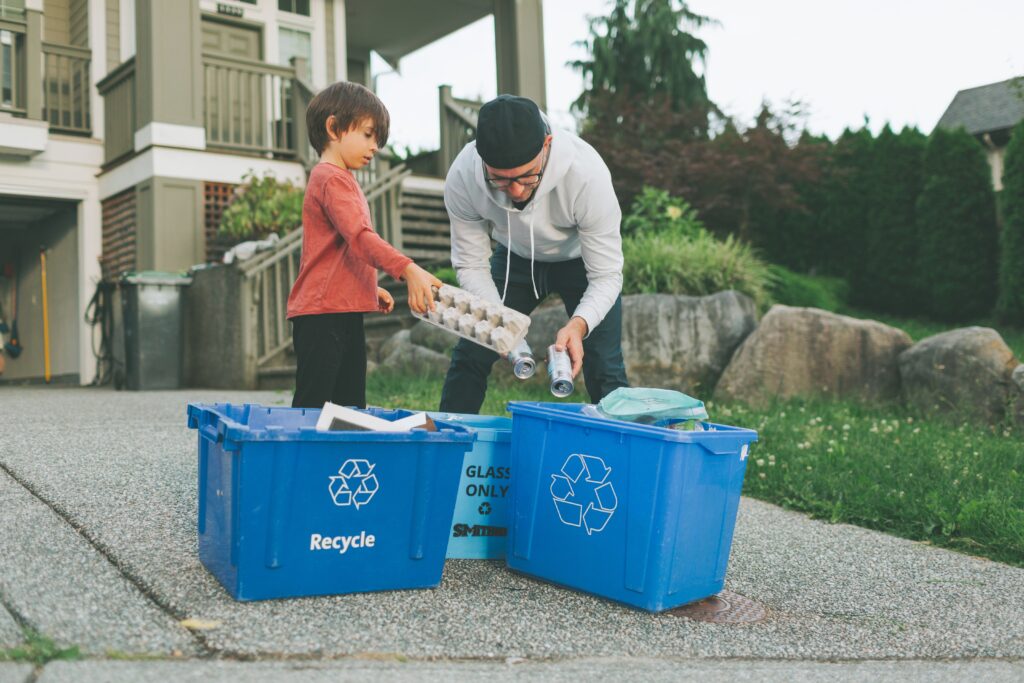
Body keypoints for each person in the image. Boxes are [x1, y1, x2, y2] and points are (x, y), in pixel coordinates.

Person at [439, 94, 629, 413]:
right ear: (480, 158)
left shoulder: (587, 174)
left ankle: (622, 456)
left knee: (604, 365)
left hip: (579, 261)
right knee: (472, 352)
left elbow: (607, 275)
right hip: (514, 257)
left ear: (547, 145)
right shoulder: (462, 177)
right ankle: (446, 450)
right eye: (499, 179)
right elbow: (470, 263)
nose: (514, 191)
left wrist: (578, 325)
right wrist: (498, 320)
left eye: (526, 176)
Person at [287, 81, 440, 409]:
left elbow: (340, 251)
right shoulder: (331, 179)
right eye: (368, 135)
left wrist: (367, 288)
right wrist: (407, 269)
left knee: (349, 403)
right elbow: (360, 238)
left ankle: (340, 459)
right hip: (322, 315)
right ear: (333, 127)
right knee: (314, 404)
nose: (375, 147)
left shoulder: (341, 179)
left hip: (339, 308)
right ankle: (299, 460)